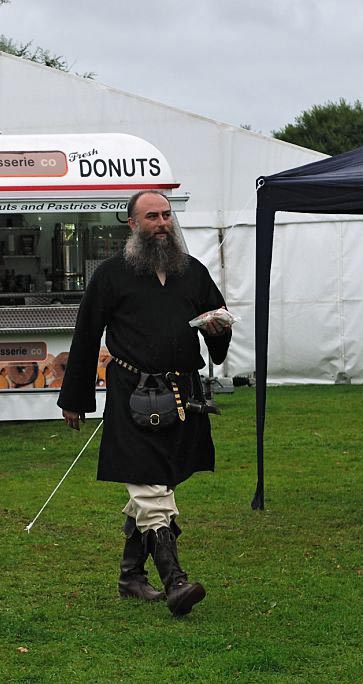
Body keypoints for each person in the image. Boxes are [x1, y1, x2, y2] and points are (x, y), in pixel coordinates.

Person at [57, 190, 232, 617]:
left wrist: (217, 329)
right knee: (151, 486)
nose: (162, 223)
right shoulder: (111, 276)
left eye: (166, 215)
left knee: (161, 480)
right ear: (132, 224)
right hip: (131, 394)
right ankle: (176, 582)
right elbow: (86, 336)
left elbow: (219, 338)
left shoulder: (193, 272)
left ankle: (131, 575)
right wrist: (75, 398)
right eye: (151, 216)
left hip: (183, 397)